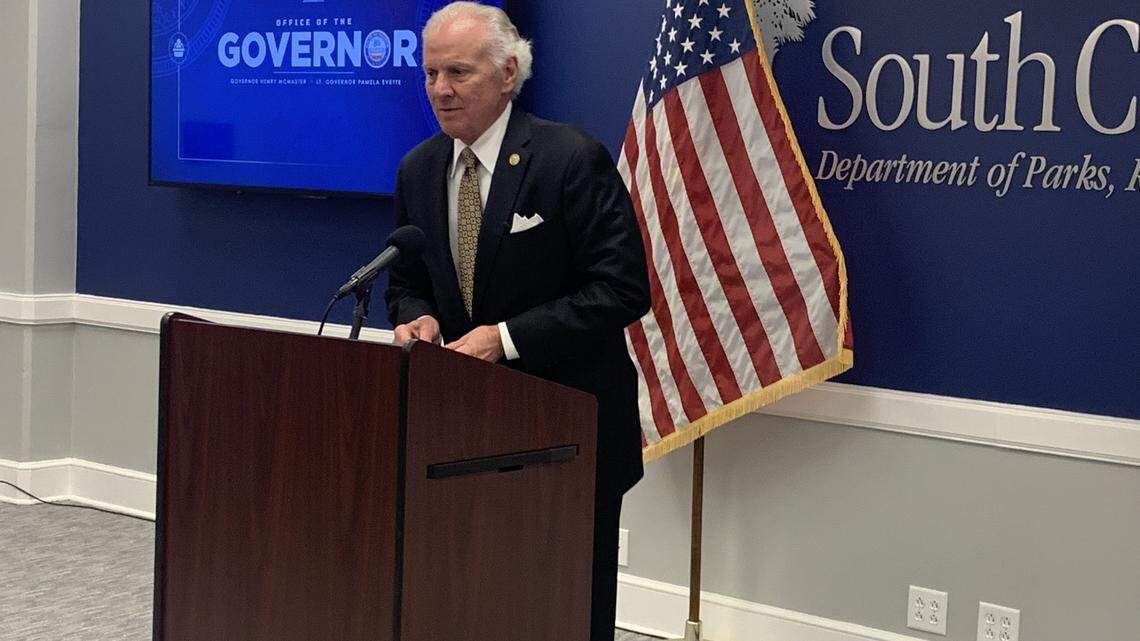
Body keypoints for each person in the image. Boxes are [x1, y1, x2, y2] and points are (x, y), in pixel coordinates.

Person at [384, 3, 651, 639]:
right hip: (464, 432)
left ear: (508, 74)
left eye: (458, 72)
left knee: (568, 607)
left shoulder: (568, 158)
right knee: (480, 596)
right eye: (429, 74)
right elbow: (408, 280)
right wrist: (416, 318)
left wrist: (505, 340)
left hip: (570, 428)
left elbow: (621, 289)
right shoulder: (418, 168)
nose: (440, 90)